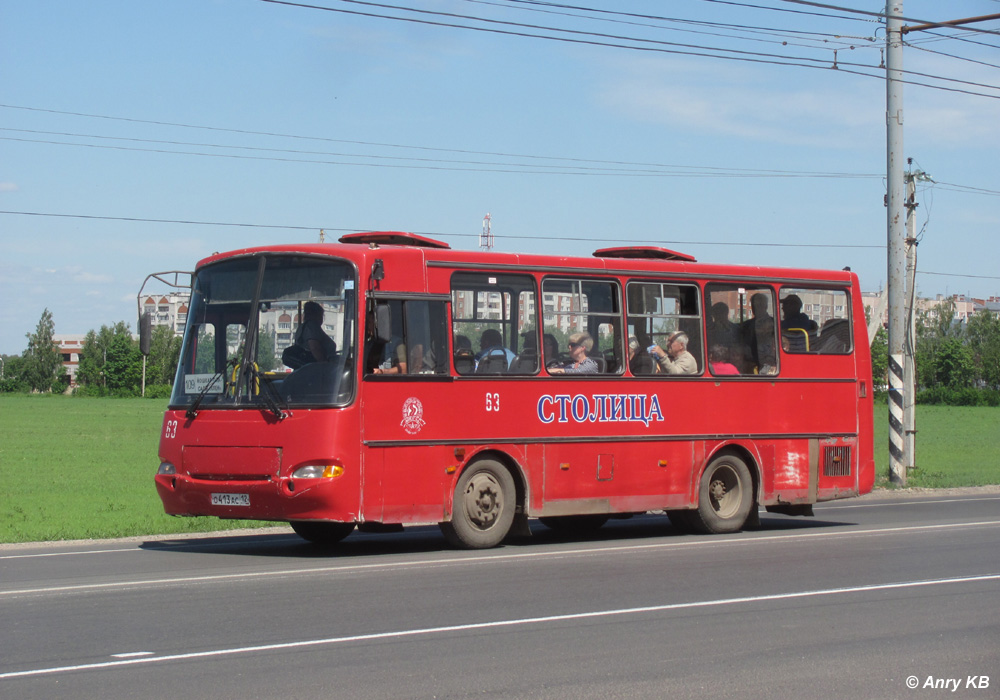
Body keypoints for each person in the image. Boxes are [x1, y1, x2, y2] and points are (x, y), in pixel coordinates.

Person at [286, 301, 337, 368]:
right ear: (316, 315)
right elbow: (314, 347)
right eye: (321, 315)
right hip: (315, 370)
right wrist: (325, 364)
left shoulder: (303, 327)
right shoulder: (311, 327)